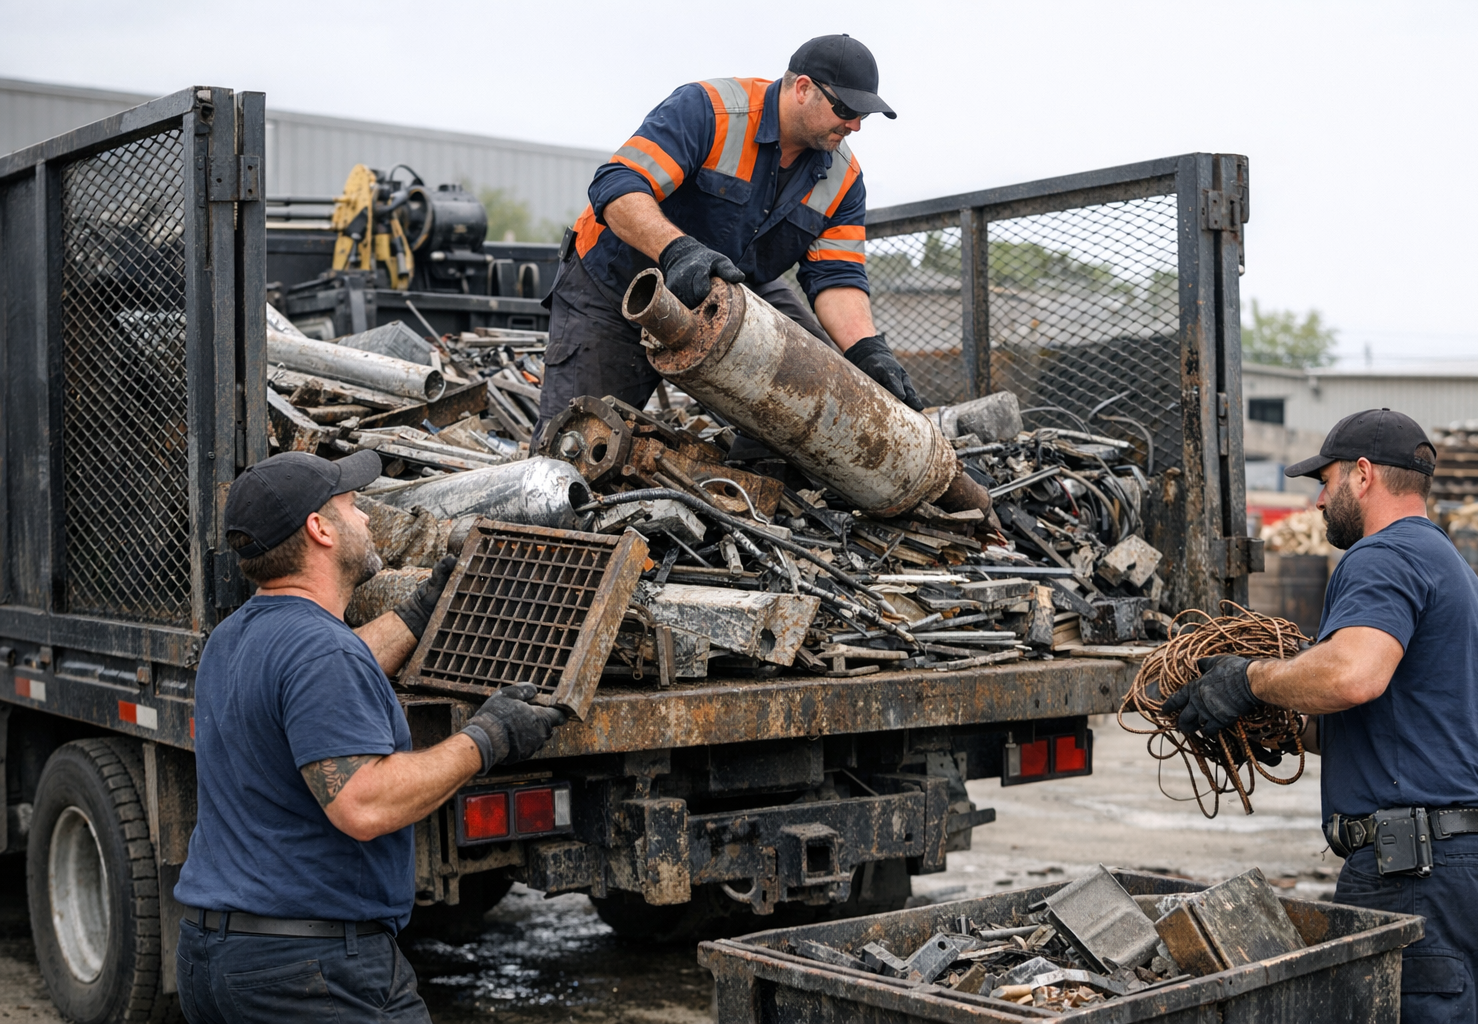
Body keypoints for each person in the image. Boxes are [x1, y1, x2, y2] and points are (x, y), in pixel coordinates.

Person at [173, 450, 566, 1022]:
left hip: (216, 959)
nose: (366, 518)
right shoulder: (320, 651)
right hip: (309, 974)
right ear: (321, 529)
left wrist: (421, 611)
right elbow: (362, 803)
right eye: (354, 505)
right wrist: (488, 737)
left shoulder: (234, 638)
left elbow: (327, 674)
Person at [1166, 409, 1478, 1024]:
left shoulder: (1382, 555)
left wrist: (1248, 680)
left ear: (1362, 475)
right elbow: (1399, 720)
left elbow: (1354, 674)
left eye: (1324, 482)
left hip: (1418, 873)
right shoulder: (1448, 565)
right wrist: (1278, 724)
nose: (1317, 502)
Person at [533, 33, 922, 445]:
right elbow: (616, 187)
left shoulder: (844, 179)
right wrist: (677, 251)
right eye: (846, 109)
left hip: (730, 291)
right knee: (576, 446)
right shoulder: (710, 112)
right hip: (615, 288)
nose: (855, 125)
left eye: (863, 115)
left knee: (816, 393)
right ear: (803, 89)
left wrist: (866, 349)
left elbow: (837, 278)